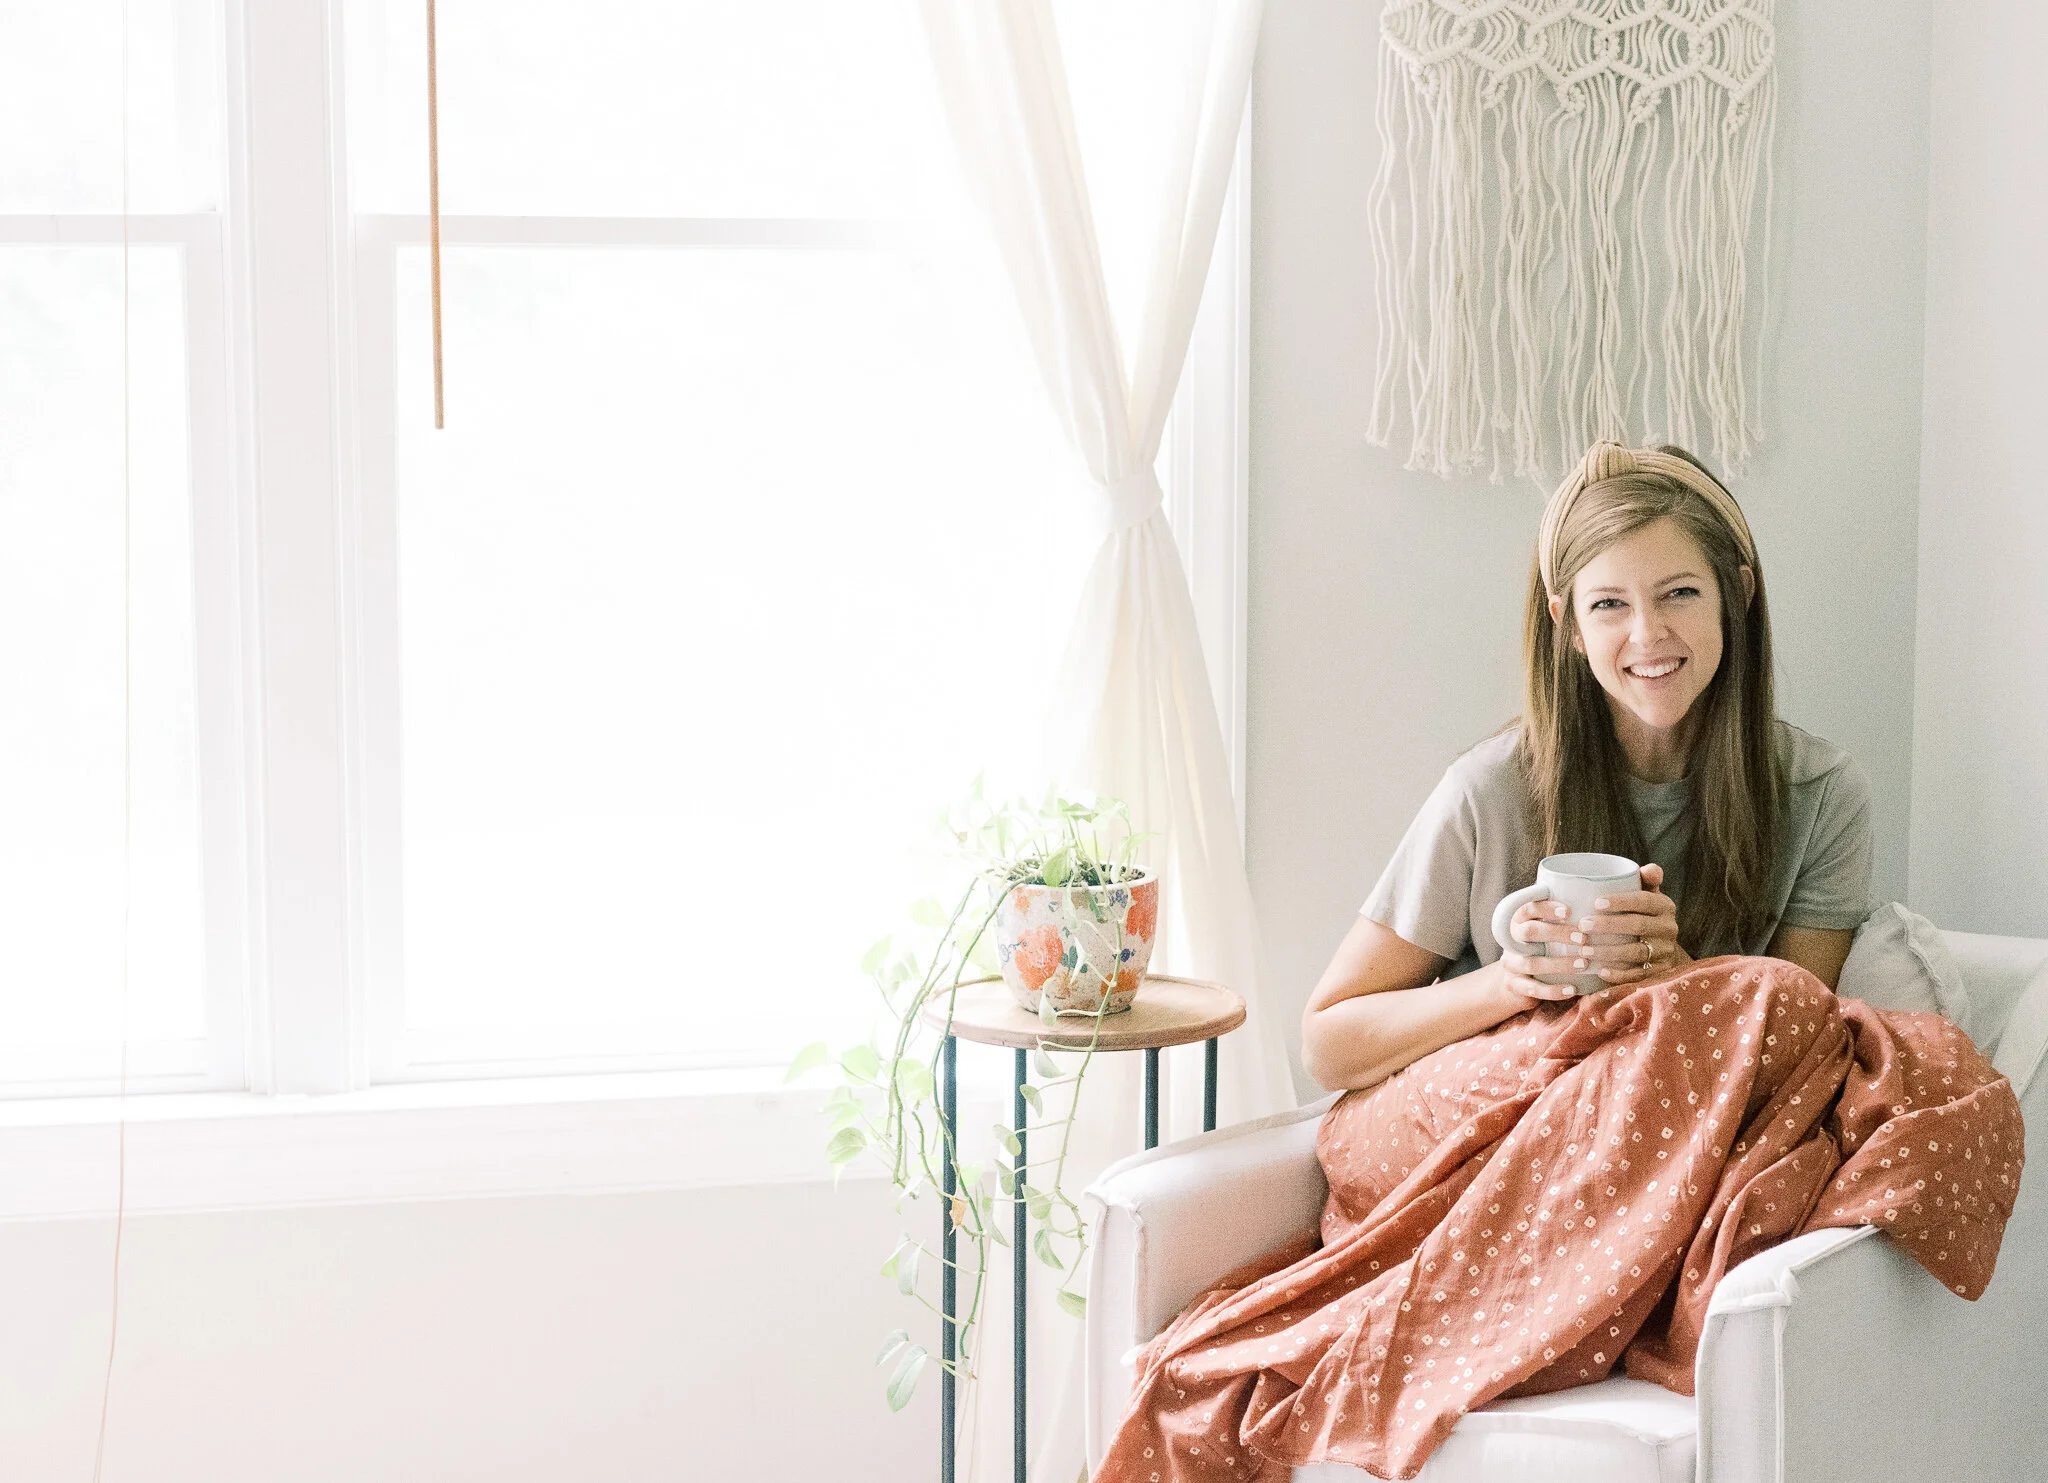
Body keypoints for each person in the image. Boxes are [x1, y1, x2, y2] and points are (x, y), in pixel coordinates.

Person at [1301, 439, 1874, 1093]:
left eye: (1679, 593)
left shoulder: (1820, 795)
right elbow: (1328, 1046)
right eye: (1608, 604)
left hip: (1697, 1124)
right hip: (1518, 1117)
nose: (1648, 633)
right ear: (1568, 624)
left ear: (1735, 596)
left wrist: (1681, 977)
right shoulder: (1489, 791)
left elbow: (1800, 1056)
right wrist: (1511, 980)